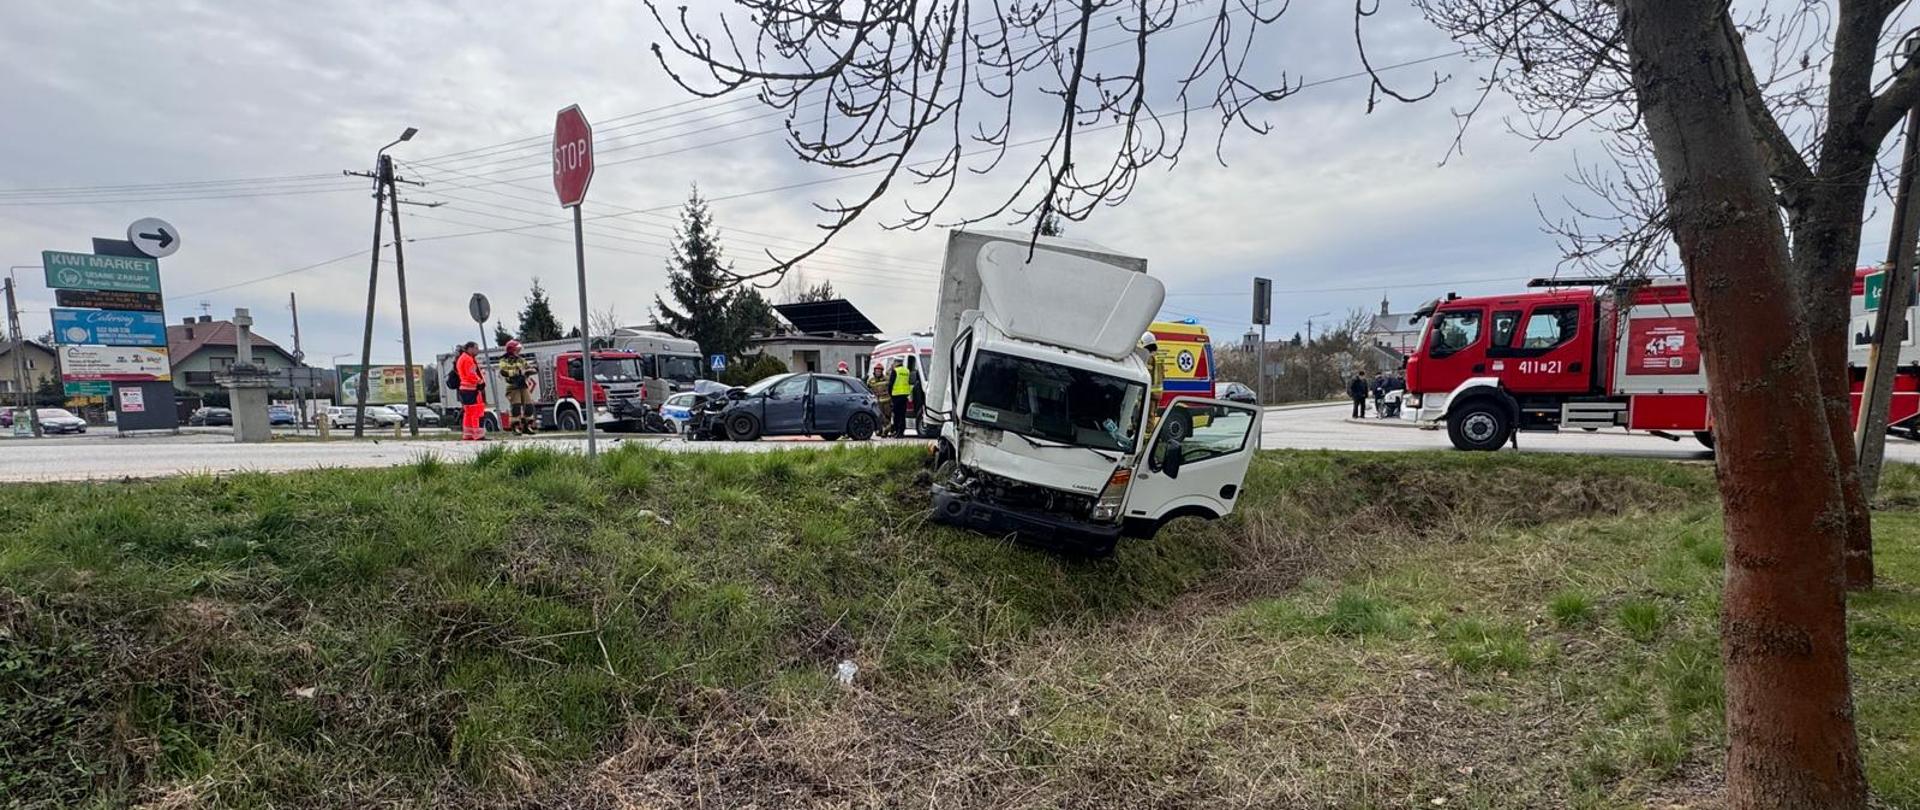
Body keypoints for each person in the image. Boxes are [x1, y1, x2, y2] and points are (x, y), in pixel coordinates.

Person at [496, 340, 537, 436]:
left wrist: (531, 370)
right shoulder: (504, 360)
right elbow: (504, 372)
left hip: (523, 385)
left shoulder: (520, 359)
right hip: (513, 386)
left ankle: (527, 426)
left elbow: (529, 367)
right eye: (517, 349)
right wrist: (517, 372)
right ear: (511, 350)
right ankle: (515, 427)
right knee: (516, 407)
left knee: (529, 406)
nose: (518, 351)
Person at [456, 341, 486, 440]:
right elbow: (471, 374)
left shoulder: (462, 358)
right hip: (471, 388)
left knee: (468, 412)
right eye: (476, 348)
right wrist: (480, 382)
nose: (478, 350)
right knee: (477, 411)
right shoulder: (468, 359)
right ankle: (478, 433)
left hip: (464, 388)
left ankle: (468, 433)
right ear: (470, 348)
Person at [889, 359, 919, 438]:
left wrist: (890, 394)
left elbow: (891, 384)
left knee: (896, 415)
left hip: (896, 396)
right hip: (905, 396)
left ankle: (897, 431)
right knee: (902, 415)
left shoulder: (895, 371)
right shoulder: (907, 371)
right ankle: (901, 431)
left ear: (896, 363)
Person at [869, 363, 893, 436]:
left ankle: (887, 430)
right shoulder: (871, 380)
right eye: (877, 370)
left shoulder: (887, 379)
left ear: (882, 371)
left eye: (879, 371)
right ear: (874, 371)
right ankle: (882, 430)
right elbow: (868, 389)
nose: (878, 372)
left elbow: (891, 388)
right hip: (877, 401)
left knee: (887, 415)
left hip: (887, 401)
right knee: (879, 416)